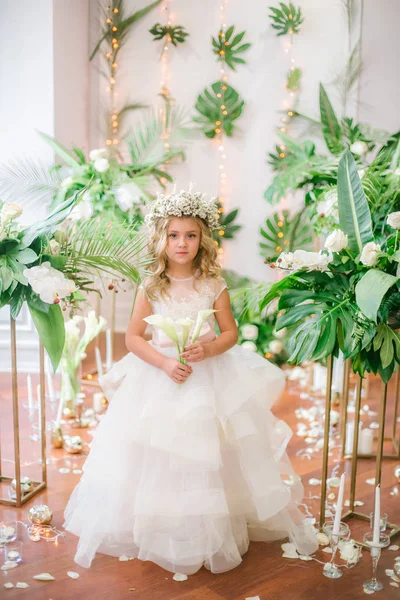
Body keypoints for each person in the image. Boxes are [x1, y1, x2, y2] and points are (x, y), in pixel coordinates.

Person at [63, 189, 318, 574]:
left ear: (203, 240)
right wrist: (165, 364)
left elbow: (230, 333)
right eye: (174, 235)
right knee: (159, 452)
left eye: (191, 235)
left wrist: (210, 349)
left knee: (212, 451)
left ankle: (210, 523)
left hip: (208, 376)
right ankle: (161, 521)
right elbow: (133, 338)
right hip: (160, 376)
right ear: (160, 239)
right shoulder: (151, 286)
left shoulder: (213, 285)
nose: (182, 243)